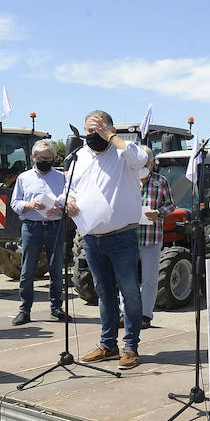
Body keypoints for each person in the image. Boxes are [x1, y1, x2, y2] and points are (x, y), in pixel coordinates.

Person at [65, 110, 147, 370]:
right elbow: (71, 188)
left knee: (130, 293)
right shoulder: (80, 156)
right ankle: (108, 345)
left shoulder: (123, 153)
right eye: (89, 131)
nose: (93, 136)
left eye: (98, 130)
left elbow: (141, 159)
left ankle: (131, 347)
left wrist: (110, 137)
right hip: (91, 238)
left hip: (121, 236)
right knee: (103, 293)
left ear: (110, 130)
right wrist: (68, 200)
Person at [9, 139, 67, 326]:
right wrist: (29, 204)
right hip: (31, 226)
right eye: (42, 158)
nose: (45, 161)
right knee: (27, 269)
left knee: (56, 268)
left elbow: (69, 198)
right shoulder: (24, 178)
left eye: (49, 158)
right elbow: (15, 203)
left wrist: (59, 208)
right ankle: (25, 309)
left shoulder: (61, 177)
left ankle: (56, 307)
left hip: (54, 226)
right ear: (34, 157)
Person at [137, 147, 176, 330]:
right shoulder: (127, 180)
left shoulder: (161, 182)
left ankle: (145, 315)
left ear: (151, 163)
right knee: (125, 278)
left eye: (145, 163)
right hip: (128, 237)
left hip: (151, 237)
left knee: (150, 279)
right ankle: (125, 313)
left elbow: (170, 205)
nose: (142, 167)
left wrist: (158, 213)